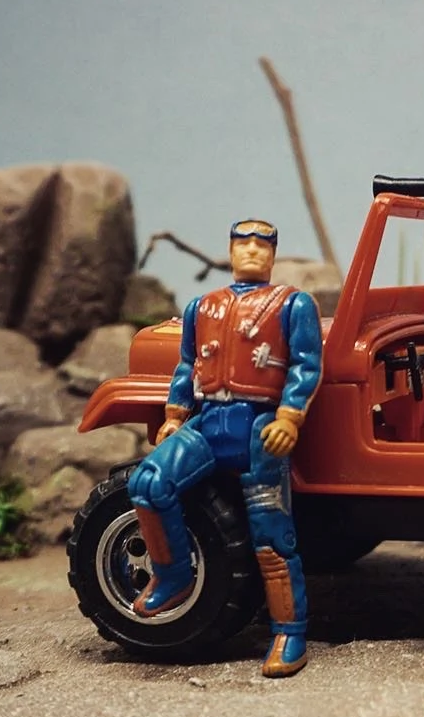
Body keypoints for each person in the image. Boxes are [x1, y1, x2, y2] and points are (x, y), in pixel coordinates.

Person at [126, 218, 322, 677]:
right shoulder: (203, 306)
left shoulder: (292, 304)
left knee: (272, 539)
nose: (252, 251)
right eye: (243, 243)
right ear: (230, 251)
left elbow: (306, 366)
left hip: (259, 429)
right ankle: (173, 575)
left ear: (273, 254)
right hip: (209, 421)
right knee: (148, 482)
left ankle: (289, 633)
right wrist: (175, 416)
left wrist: (289, 417)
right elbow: (187, 365)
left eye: (262, 244)